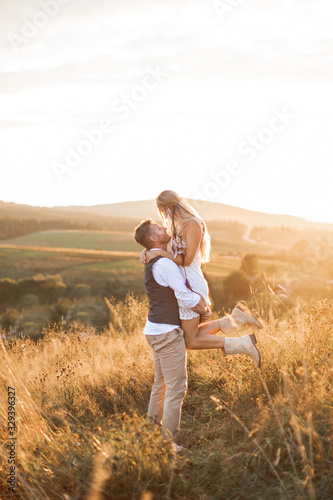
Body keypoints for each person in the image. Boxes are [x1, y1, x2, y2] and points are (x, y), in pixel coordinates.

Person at [134, 219, 261, 445]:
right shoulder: (164, 264)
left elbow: (161, 256)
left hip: (155, 329)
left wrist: (147, 251)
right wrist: (203, 308)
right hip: (165, 332)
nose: (165, 228)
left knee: (161, 383)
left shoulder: (157, 258)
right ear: (153, 239)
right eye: (159, 229)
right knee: (176, 388)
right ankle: (169, 443)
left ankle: (150, 433)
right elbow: (183, 295)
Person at [141, 190, 263, 353]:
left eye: (162, 212)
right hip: (184, 285)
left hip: (192, 284)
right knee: (189, 337)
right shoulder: (175, 226)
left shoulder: (193, 224)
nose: (162, 216)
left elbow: (187, 260)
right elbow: (160, 244)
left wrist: (159, 253)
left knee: (189, 340)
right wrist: (146, 251)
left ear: (167, 208)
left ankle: (243, 343)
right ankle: (236, 320)